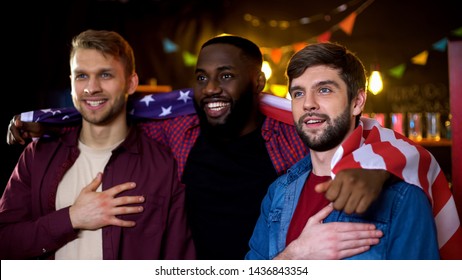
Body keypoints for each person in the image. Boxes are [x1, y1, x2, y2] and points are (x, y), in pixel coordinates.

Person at [4, 35, 450, 260]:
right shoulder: (172, 136)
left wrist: (377, 164)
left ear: (257, 82)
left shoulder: (291, 140)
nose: (211, 88)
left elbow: (346, 131)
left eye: (226, 75)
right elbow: (110, 115)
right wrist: (45, 123)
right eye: (201, 77)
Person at [0, 29, 195, 260]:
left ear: (131, 83)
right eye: (82, 75)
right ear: (71, 82)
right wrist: (72, 218)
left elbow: (179, 261)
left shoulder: (163, 165)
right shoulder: (38, 155)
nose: (91, 88)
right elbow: (5, 242)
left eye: (105, 75)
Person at [246, 42, 442, 259]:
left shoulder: (403, 198)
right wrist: (295, 255)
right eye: (298, 93)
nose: (308, 103)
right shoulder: (278, 192)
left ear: (357, 102)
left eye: (324, 90)